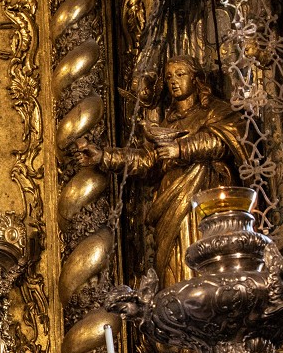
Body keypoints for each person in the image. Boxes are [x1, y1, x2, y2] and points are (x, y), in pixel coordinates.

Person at [74, 55, 245, 285]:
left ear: (196, 79)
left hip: (203, 193)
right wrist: (104, 156)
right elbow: (146, 160)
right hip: (170, 200)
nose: (173, 81)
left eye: (180, 74)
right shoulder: (167, 125)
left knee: (207, 259)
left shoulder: (215, 111)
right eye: (169, 77)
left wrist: (181, 149)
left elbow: (227, 139)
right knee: (175, 263)